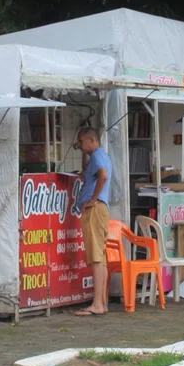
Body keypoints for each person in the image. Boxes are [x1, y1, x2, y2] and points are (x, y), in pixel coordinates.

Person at [73, 127, 111, 317]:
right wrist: (83, 152)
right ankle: (101, 303)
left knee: (96, 257)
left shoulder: (97, 156)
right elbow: (88, 172)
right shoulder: (99, 155)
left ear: (91, 140)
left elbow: (103, 176)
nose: (79, 145)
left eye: (81, 142)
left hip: (95, 209)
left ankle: (97, 304)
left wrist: (93, 199)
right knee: (101, 258)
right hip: (101, 210)